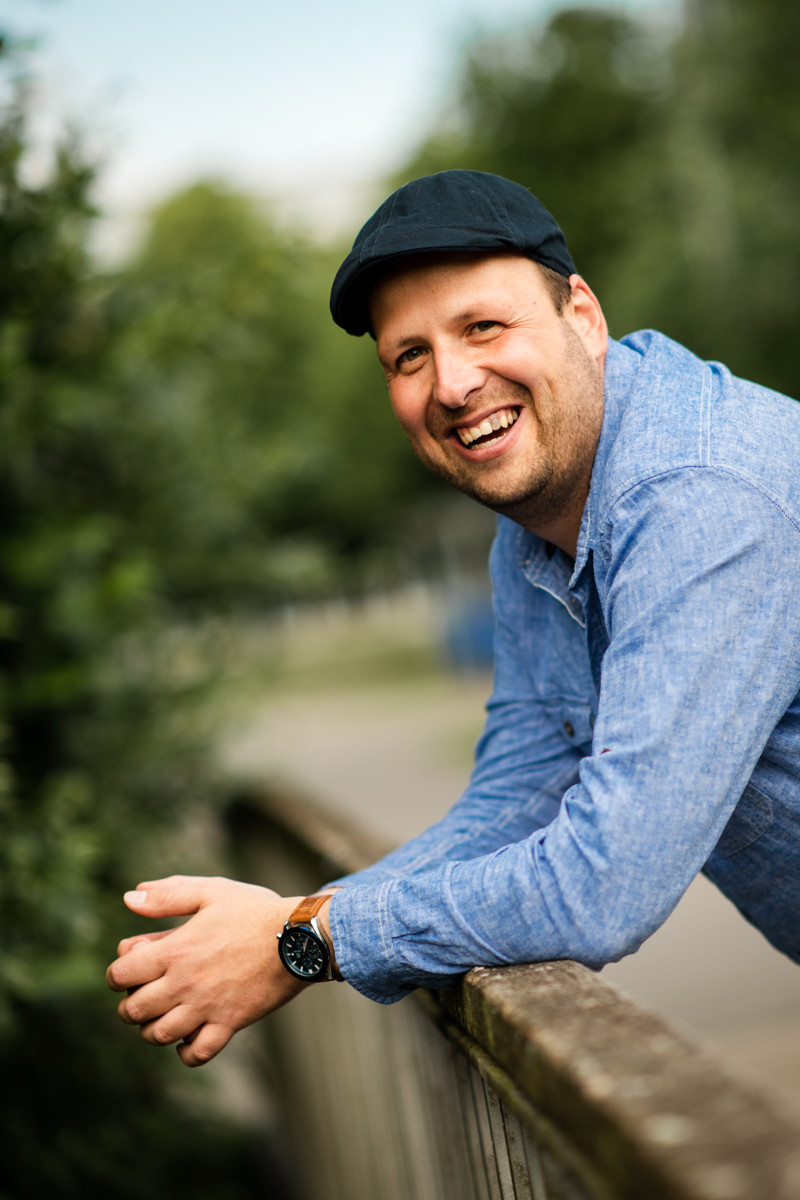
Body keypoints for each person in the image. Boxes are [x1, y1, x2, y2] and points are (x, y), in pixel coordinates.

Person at [106, 170, 800, 1068]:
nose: (453, 383)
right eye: (409, 356)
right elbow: (518, 799)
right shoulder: (536, 530)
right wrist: (294, 925)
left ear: (583, 317)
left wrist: (303, 941)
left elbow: (606, 883)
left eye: (484, 327)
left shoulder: (700, 499)